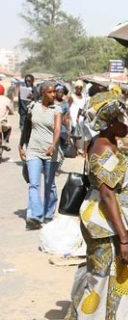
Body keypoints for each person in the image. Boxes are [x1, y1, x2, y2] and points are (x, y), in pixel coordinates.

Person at [66, 88, 128, 320]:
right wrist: (124, 239)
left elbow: (111, 180)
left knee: (114, 277)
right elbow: (108, 195)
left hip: (105, 222)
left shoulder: (101, 143)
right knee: (103, 280)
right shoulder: (103, 149)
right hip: (106, 226)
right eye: (122, 119)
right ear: (110, 123)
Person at [18, 82, 62, 230]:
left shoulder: (57, 109)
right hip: (33, 150)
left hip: (50, 151)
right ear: (43, 93)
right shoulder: (33, 107)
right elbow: (27, 128)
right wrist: (21, 145)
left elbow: (57, 129)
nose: (53, 95)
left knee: (50, 185)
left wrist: (53, 145)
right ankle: (36, 216)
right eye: (50, 92)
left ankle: (48, 214)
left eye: (54, 92)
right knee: (34, 184)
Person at [69, 81, 86, 153]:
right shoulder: (72, 96)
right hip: (73, 115)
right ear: (75, 88)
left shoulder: (84, 97)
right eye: (77, 88)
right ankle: (74, 148)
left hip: (81, 116)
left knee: (80, 132)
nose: (78, 89)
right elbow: (69, 106)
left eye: (80, 88)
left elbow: (84, 106)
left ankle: (79, 147)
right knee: (74, 132)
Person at [55, 84, 71, 149]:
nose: (61, 94)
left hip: (62, 129)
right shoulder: (51, 103)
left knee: (61, 147)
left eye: (62, 92)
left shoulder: (65, 104)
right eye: (59, 92)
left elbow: (66, 118)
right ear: (55, 92)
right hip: (52, 127)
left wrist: (68, 129)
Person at [0, 84, 15, 150]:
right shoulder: (7, 100)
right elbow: (12, 111)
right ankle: (5, 142)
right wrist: (10, 112)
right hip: (2, 123)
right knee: (9, 128)